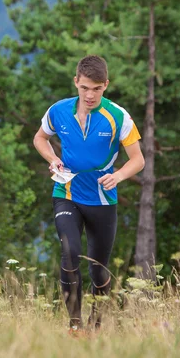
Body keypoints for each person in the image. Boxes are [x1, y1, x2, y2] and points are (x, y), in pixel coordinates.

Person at [33, 55, 145, 332]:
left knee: (98, 269)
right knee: (70, 253)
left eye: (96, 88)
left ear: (106, 85)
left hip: (102, 200)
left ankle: (97, 326)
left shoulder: (119, 117)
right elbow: (39, 138)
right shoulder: (58, 111)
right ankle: (75, 326)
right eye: (85, 88)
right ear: (76, 82)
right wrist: (52, 159)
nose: (90, 95)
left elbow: (138, 160)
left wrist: (118, 176)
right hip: (66, 191)